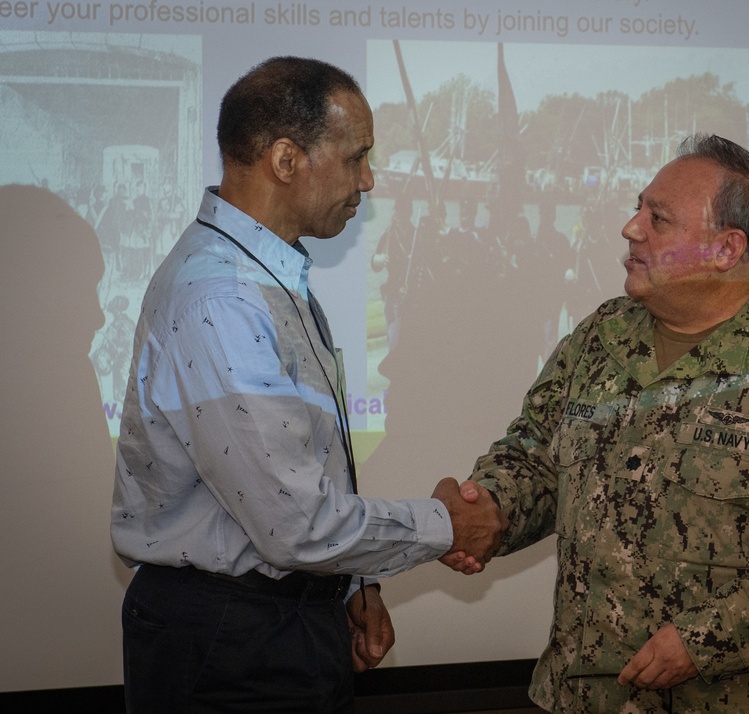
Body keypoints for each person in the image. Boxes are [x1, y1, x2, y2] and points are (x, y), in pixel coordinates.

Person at [448, 134, 749, 712]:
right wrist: (486, 508)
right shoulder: (601, 336)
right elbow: (536, 458)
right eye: (638, 209)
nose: (631, 228)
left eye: (657, 218)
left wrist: (702, 641)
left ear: (726, 249)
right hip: (582, 696)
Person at [111, 56, 502, 713]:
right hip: (232, 645)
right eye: (356, 158)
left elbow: (300, 474)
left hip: (271, 625)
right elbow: (292, 523)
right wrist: (446, 525)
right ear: (286, 160)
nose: (368, 179)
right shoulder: (224, 297)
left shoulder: (267, 276)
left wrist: (351, 586)